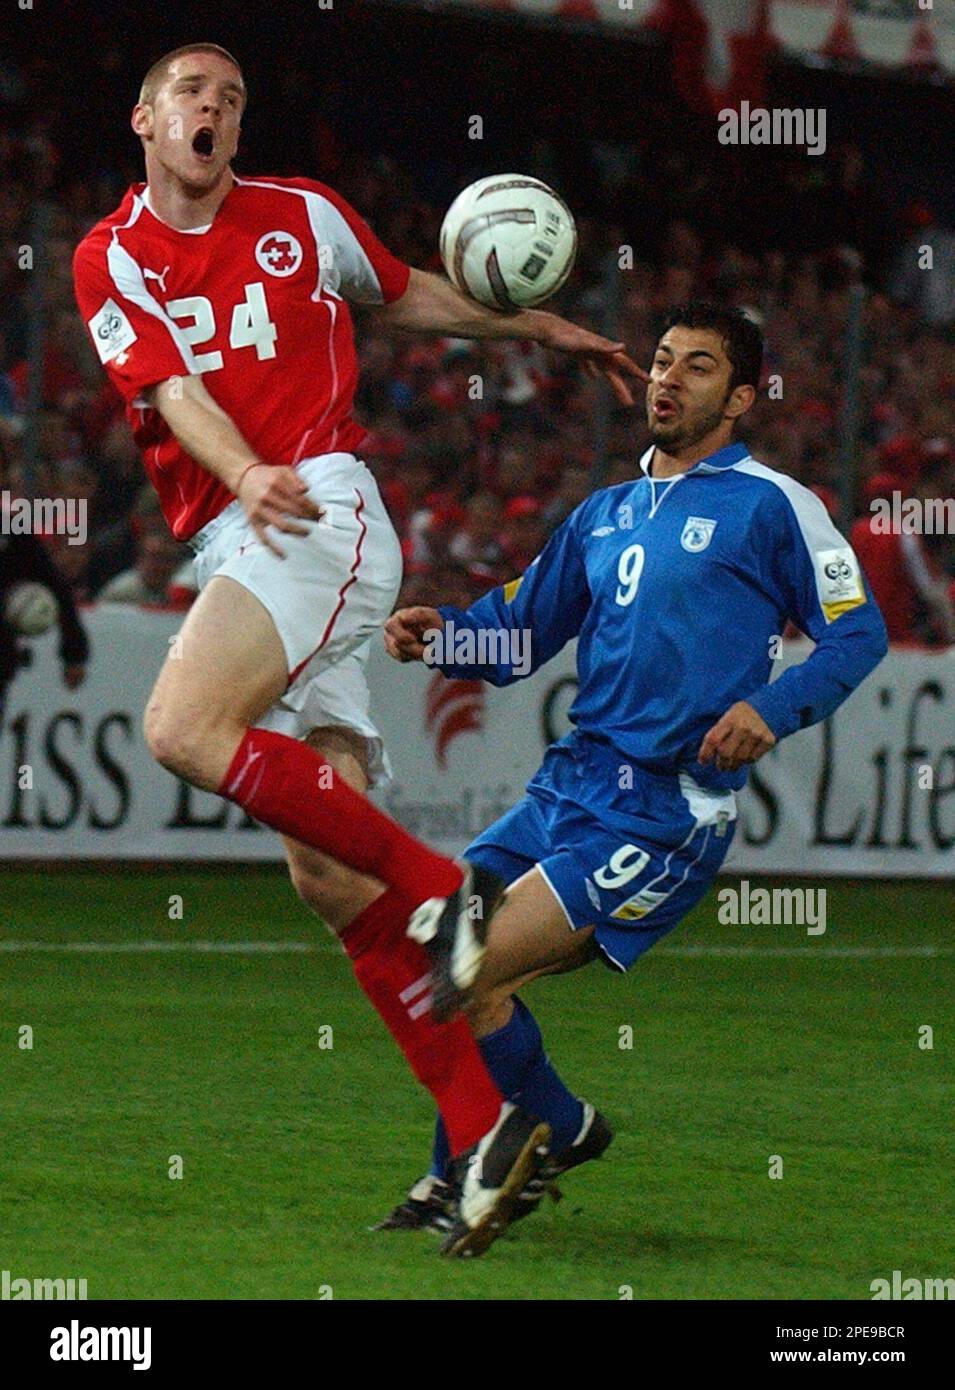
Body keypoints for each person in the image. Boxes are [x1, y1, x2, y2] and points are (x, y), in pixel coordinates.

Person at [71, 41, 646, 1256]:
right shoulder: (107, 254)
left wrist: (532, 325)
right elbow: (170, 390)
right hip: (251, 523)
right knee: (331, 880)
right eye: (193, 92)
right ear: (145, 118)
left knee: (179, 728)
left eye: (232, 95)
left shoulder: (303, 215)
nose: (214, 109)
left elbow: (407, 291)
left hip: (314, 513)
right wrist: (239, 470)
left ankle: (453, 896)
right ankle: (493, 1127)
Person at [384, 303, 889, 1250]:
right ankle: (484, 1161)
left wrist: (769, 711)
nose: (668, 379)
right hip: (565, 787)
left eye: (697, 368)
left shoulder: (772, 505)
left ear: (739, 398)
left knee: (471, 959)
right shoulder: (603, 513)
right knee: (439, 952)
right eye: (661, 361)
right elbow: (526, 629)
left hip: (661, 812)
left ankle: (535, 1138)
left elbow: (856, 631)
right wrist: (441, 636)